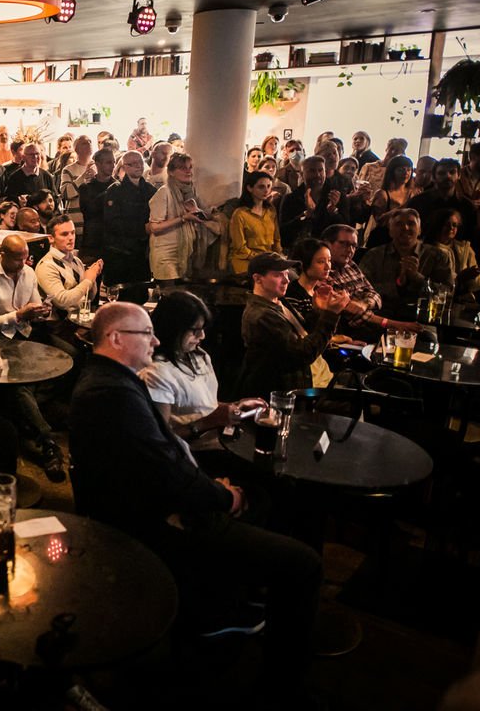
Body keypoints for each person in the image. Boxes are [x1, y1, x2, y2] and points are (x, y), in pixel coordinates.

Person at [70, 301, 321, 699]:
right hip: (152, 522)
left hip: (166, 501)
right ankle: (280, 688)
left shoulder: (116, 380)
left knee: (271, 499)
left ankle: (220, 604)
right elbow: (162, 471)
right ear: (116, 338)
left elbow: (165, 456)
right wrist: (221, 496)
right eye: (146, 333)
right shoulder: (110, 393)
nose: (155, 340)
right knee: (304, 563)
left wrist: (209, 485)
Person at [0, 235, 65, 481]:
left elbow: (32, 304)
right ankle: (47, 440)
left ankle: (26, 414)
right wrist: (17, 315)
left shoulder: (28, 273)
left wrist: (40, 311)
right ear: (3, 254)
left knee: (69, 357)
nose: (24, 263)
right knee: (18, 383)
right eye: (18, 259)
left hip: (26, 331)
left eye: (26, 258)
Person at [139, 291, 266, 438]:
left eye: (203, 329)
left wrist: (237, 406)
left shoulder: (198, 356)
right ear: (173, 328)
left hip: (215, 439)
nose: (202, 336)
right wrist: (207, 422)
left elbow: (203, 406)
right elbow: (158, 438)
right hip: (190, 452)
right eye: (195, 330)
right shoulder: (156, 373)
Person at [239, 251, 349, 397]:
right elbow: (304, 353)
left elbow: (307, 336)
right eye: (278, 275)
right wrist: (331, 315)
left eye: (286, 273)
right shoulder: (261, 316)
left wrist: (318, 311)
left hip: (319, 376)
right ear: (258, 279)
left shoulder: (279, 301)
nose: (286, 280)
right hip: (301, 391)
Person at [359, 208, 452, 321]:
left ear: (420, 230)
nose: (405, 228)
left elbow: (448, 292)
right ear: (390, 231)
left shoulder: (437, 256)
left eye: (411, 223)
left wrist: (417, 278)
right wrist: (397, 285)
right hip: (380, 318)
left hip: (423, 320)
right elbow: (360, 289)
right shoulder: (374, 255)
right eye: (399, 224)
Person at [148, 153, 221, 282]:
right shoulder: (164, 192)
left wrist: (213, 213)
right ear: (171, 172)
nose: (188, 171)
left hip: (187, 252)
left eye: (190, 167)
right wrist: (183, 218)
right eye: (182, 168)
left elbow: (204, 214)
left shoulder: (191, 193)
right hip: (167, 253)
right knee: (170, 294)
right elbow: (154, 227)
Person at [103, 149, 156, 293]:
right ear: (125, 167)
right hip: (120, 252)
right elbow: (112, 222)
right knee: (120, 295)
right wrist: (141, 228)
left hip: (142, 252)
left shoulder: (150, 190)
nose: (138, 166)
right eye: (133, 164)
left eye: (140, 162)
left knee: (140, 293)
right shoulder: (115, 191)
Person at [35, 216, 103, 317]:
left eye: (73, 232)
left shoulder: (76, 261)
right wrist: (88, 280)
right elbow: (62, 302)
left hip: (79, 318)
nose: (71, 238)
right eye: (64, 234)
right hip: (58, 326)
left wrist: (93, 277)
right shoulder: (46, 266)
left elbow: (88, 298)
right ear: (51, 238)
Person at [406, 158, 478, 242]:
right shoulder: (418, 202)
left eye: (452, 172)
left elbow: (470, 238)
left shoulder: (467, 206)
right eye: (441, 173)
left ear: (459, 175)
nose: (448, 176)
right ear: (433, 177)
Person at [424, 208, 480, 302]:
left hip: (462, 302)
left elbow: (479, 284)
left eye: (454, 225)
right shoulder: (427, 250)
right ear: (438, 225)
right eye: (446, 224)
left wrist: (473, 277)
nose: (451, 228)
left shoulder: (464, 249)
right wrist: (459, 279)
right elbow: (429, 283)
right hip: (436, 300)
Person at [229, 172, 281, 274]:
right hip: (246, 260)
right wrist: (261, 258)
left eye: (268, 186)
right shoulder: (240, 214)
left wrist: (278, 255)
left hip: (267, 259)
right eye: (261, 187)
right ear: (250, 188)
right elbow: (240, 247)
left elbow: (276, 238)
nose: (266, 190)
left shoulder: (270, 210)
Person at [364, 155, 415, 247]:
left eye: (409, 170)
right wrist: (404, 206)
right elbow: (380, 220)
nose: (406, 173)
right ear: (392, 172)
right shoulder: (382, 194)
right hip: (383, 239)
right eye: (401, 170)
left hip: (403, 238)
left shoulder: (412, 193)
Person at [77, 147, 117, 256]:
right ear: (98, 164)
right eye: (108, 162)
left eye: (114, 162)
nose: (113, 166)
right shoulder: (86, 188)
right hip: (92, 244)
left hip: (114, 244)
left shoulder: (119, 187)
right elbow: (89, 211)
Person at [58, 134, 94, 231]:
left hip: (94, 224)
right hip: (76, 224)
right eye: (84, 143)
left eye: (90, 142)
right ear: (76, 149)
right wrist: (82, 178)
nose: (88, 144)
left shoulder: (98, 167)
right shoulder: (68, 170)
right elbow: (65, 193)